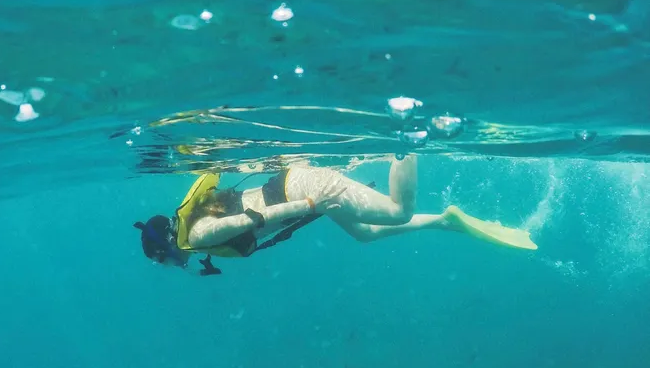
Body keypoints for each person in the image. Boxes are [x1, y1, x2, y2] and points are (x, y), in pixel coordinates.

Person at [133, 155, 536, 273]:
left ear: (167, 247)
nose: (174, 263)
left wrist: (311, 206)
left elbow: (250, 221)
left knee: (396, 212)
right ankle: (446, 221)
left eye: (166, 260)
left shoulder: (197, 235)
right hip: (296, 186)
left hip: (306, 191)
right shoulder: (193, 222)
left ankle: (406, 143)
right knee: (365, 234)